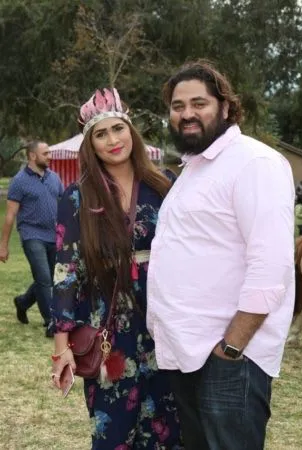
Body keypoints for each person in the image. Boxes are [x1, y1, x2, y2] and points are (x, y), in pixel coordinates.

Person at [146, 61, 295, 450]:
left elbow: (271, 267)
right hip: (188, 354)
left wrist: (230, 347)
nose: (187, 114)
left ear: (226, 107)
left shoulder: (254, 163)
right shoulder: (194, 169)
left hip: (230, 358)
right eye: (178, 106)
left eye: (199, 103)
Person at [50, 88, 183, 449]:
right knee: (113, 433)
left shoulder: (165, 185)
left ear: (131, 131)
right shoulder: (77, 196)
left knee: (166, 431)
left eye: (118, 129)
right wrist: (62, 347)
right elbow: (67, 271)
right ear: (90, 144)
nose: (112, 140)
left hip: (163, 321)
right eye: (101, 134)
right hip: (108, 326)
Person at [0, 141, 63, 337]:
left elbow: (64, 204)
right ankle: (51, 321)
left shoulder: (54, 178)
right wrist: (3, 245)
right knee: (44, 278)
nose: (49, 156)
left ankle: (23, 302)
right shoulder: (19, 181)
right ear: (33, 156)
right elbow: (10, 215)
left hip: (53, 235)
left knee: (49, 278)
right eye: (45, 153)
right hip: (31, 234)